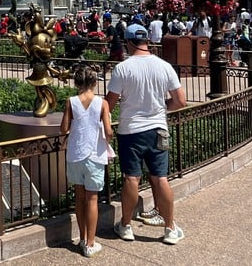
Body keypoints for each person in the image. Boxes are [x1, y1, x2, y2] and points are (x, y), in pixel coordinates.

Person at [106, 23, 187, 245]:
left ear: (129, 42)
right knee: (160, 177)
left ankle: (126, 226)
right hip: (158, 128)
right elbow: (180, 101)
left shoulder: (123, 68)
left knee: (131, 178)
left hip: (131, 131)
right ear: (146, 41)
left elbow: (110, 103)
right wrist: (161, 108)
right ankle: (170, 228)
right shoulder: (164, 66)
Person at [59, 66, 113, 257]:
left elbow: (63, 128)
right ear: (94, 82)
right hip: (94, 154)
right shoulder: (102, 103)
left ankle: (82, 238)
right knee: (92, 199)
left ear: (77, 83)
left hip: (75, 153)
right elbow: (108, 131)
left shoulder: (71, 101)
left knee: (79, 197)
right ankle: (91, 243)